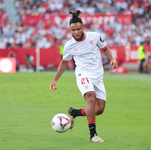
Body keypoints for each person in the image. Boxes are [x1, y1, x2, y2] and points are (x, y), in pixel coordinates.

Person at [50, 10, 117, 143]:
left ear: (83, 28)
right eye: (73, 30)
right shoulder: (69, 46)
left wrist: (112, 59)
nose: (76, 32)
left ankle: (74, 112)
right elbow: (64, 62)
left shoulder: (95, 36)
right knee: (91, 98)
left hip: (98, 76)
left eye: (78, 29)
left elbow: (105, 49)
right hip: (83, 75)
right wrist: (55, 79)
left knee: (99, 109)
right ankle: (93, 135)